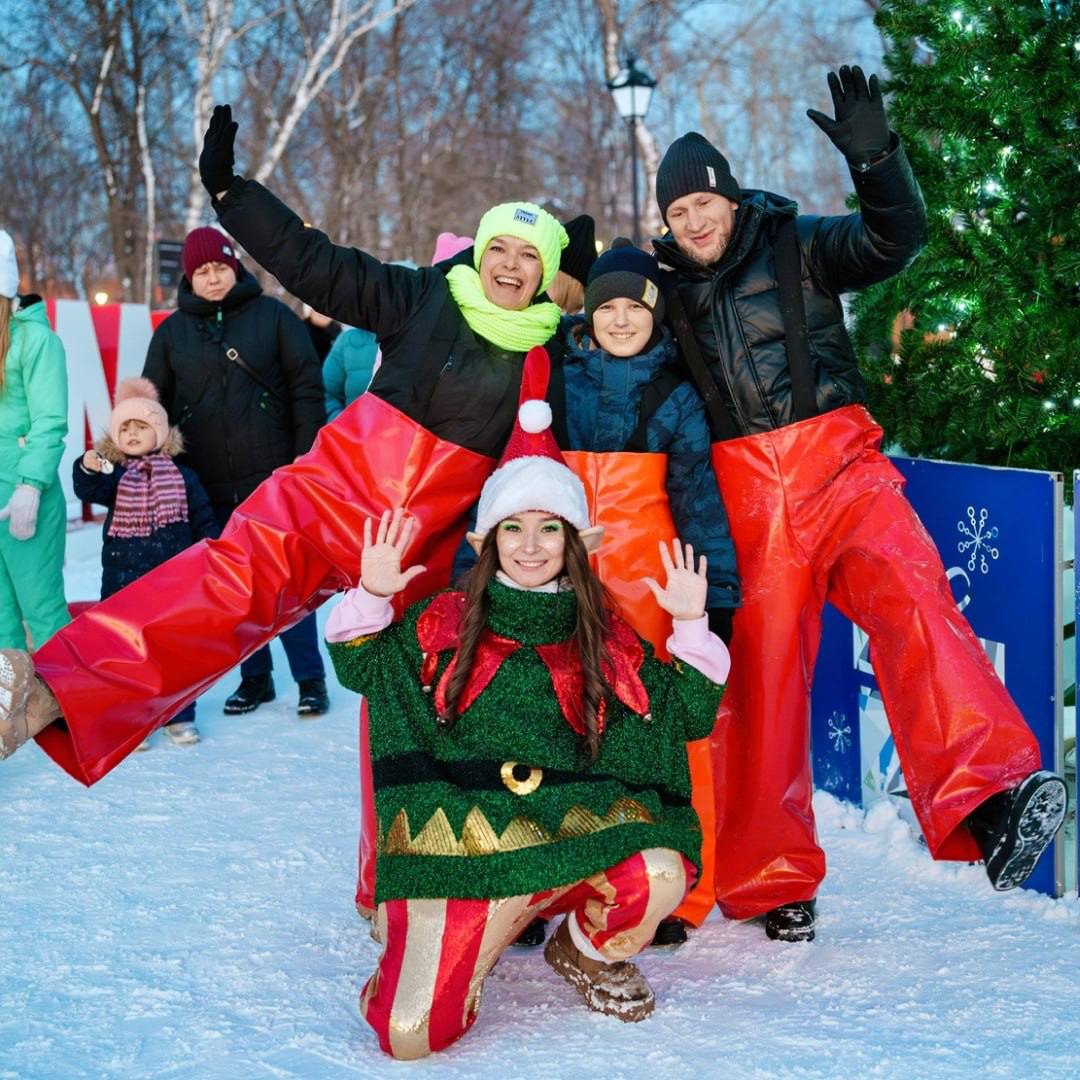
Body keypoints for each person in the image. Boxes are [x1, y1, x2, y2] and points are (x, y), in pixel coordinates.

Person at [0, 106, 573, 784]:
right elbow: (316, 263)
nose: (510, 264)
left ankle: (406, 876)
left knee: (423, 695)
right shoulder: (425, 295)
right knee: (218, 592)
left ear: (547, 272)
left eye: (529, 254)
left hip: (423, 547)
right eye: (500, 247)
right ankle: (50, 692)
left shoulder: (549, 355)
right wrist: (231, 194)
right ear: (479, 253)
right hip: (334, 493)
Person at [652, 65, 1066, 941]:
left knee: (916, 598)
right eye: (677, 212)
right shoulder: (671, 297)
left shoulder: (798, 243)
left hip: (839, 468)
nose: (694, 221)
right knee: (760, 692)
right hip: (751, 505)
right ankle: (769, 881)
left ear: (729, 199)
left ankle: (990, 802)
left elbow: (894, 238)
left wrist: (877, 161)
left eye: (704, 204)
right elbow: (609, 346)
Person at [322, 350, 729, 1058]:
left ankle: (582, 949)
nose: (532, 546)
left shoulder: (603, 634)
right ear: (489, 542)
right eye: (514, 527)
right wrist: (375, 595)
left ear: (574, 542)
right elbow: (360, 666)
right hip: (463, 855)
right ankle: (422, 935)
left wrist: (692, 625)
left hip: (565, 842)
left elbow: (684, 715)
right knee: (410, 1036)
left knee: (658, 868)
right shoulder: (446, 619)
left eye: (549, 529)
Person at [143, 225, 330, 718]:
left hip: (272, 477)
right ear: (189, 277)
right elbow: (152, 404)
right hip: (205, 484)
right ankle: (256, 678)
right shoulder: (172, 333)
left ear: (234, 264)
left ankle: (310, 678)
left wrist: (303, 460)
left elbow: (307, 388)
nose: (212, 279)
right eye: (201, 272)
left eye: (219, 268)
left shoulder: (273, 316)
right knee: (235, 589)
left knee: (289, 581)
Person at [73, 377, 218, 747]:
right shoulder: (115, 477)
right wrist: (87, 466)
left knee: (174, 651)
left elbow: (202, 520)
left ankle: (179, 715)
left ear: (161, 434)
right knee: (127, 653)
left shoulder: (183, 477)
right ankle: (134, 719)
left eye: (142, 427)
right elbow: (87, 489)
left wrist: (210, 554)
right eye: (126, 428)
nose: (134, 434)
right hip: (124, 582)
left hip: (172, 583)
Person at [0, 229, 70, 652]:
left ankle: (72, 711)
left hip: (26, 493)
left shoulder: (37, 341)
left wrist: (30, 486)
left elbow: (50, 420)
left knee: (42, 612)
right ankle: (13, 711)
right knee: (1, 618)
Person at [322, 327, 377, 421]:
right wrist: (342, 424)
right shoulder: (348, 340)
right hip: (353, 433)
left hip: (404, 433)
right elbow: (326, 393)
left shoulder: (409, 338)